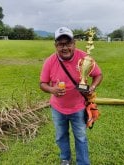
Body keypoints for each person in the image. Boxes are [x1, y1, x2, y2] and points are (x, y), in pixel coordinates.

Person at [40, 27, 103, 165]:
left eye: (68, 43)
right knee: (61, 136)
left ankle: (83, 162)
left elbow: (98, 74)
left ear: (74, 43)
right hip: (58, 108)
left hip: (78, 107)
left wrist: (91, 87)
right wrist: (52, 90)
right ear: (55, 45)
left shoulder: (85, 58)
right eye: (61, 44)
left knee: (80, 137)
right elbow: (42, 83)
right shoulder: (50, 61)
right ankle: (65, 159)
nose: (65, 47)